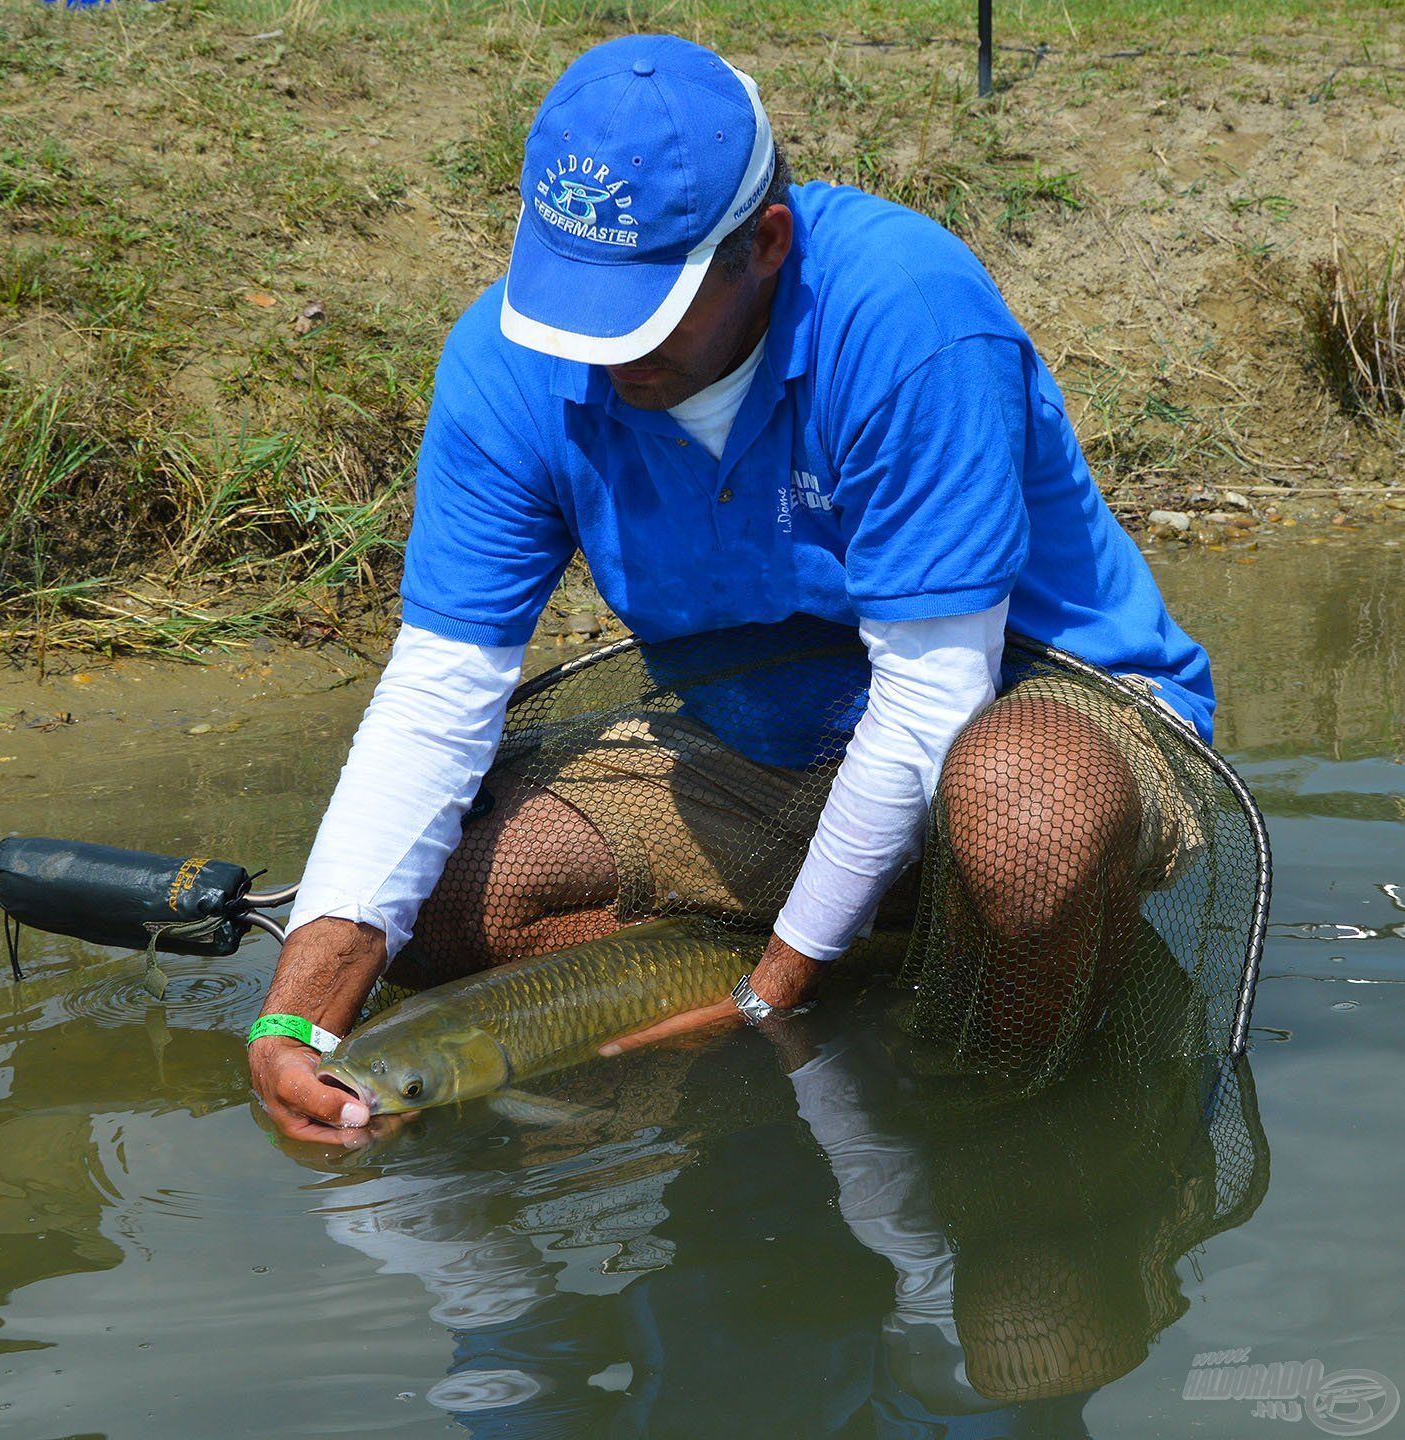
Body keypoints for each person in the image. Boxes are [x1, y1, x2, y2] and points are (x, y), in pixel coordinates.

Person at [248, 34, 1215, 1146]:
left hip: (1027, 706)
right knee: (439, 911)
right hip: (761, 740)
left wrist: (778, 985)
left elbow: (931, 697)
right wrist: (300, 1019)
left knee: (1019, 821)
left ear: (763, 243)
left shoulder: (902, 315)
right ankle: (873, 962)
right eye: (579, 299)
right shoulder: (505, 356)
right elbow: (434, 699)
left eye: (646, 308)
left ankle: (994, 1086)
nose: (603, 351)